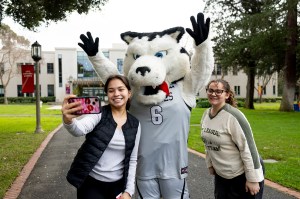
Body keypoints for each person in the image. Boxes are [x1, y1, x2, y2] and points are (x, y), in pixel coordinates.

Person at [61, 74, 141, 199]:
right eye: (111, 90)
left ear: (129, 93)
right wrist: (69, 120)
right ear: (107, 94)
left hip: (117, 186)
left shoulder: (135, 124)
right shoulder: (99, 114)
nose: (116, 94)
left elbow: (132, 159)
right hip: (91, 185)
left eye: (121, 89)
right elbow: (79, 130)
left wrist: (128, 192)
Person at [200, 79, 264, 199]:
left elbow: (249, 148)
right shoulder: (206, 114)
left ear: (227, 94)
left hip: (242, 174)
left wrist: (253, 179)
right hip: (222, 174)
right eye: (210, 90)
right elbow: (207, 142)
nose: (213, 94)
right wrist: (210, 163)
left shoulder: (234, 116)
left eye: (219, 91)